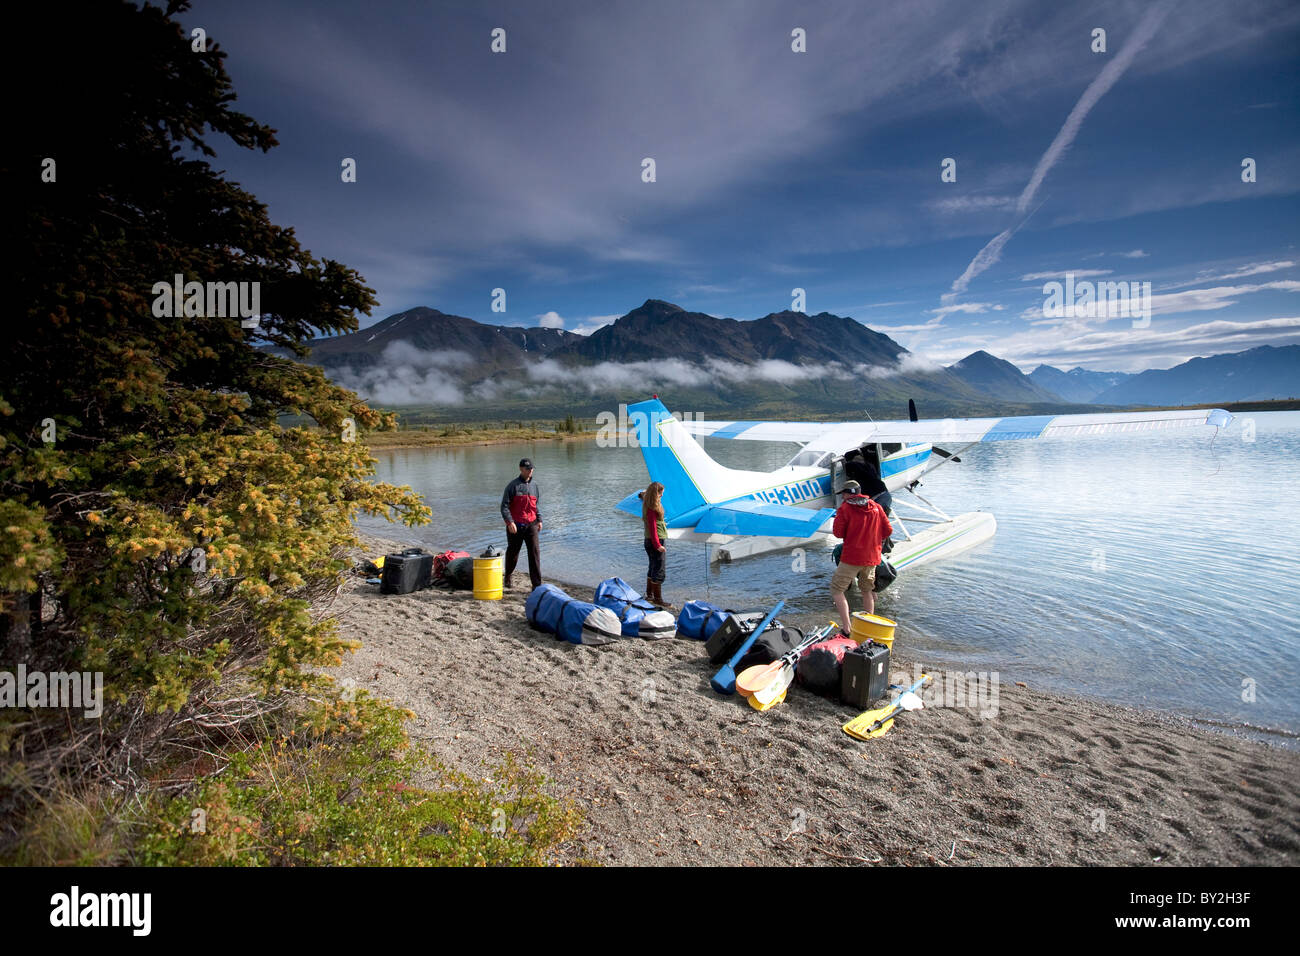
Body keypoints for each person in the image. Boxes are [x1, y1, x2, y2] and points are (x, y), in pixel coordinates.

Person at [830, 479, 893, 628]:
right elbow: (888, 530)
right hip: (872, 558)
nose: (842, 497)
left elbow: (838, 533)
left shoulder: (845, 509)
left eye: (843, 494)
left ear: (847, 494)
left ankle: (846, 627)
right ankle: (868, 626)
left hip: (851, 557)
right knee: (867, 590)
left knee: (837, 590)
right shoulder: (876, 507)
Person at [501, 458, 542, 590]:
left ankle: (536, 585)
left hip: (531, 525)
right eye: (527, 469)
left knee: (535, 553)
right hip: (515, 526)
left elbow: (535, 506)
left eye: (531, 468)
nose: (530, 471)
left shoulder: (535, 486)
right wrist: (509, 522)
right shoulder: (512, 486)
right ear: (521, 469)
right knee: (513, 554)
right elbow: (504, 507)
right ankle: (507, 576)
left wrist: (539, 519)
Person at [640, 481, 671, 608]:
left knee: (653, 567)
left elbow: (643, 494)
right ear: (655, 494)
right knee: (659, 569)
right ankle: (658, 599)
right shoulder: (652, 507)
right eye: (660, 494)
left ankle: (649, 596)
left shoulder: (646, 500)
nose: (661, 496)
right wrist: (658, 545)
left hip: (649, 540)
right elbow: (653, 528)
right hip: (655, 540)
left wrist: (643, 494)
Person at [843, 447, 892, 515]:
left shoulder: (857, 466)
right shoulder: (869, 465)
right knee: (879, 520)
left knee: (876, 519)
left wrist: (844, 463)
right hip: (883, 495)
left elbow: (851, 465)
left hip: (879, 498)